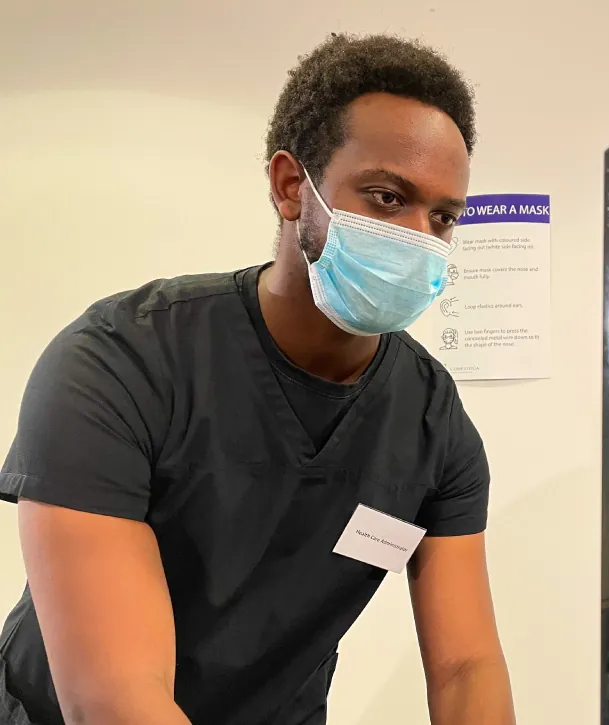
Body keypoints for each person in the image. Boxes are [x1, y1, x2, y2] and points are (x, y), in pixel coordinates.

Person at [0, 33, 515, 725]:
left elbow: (465, 668)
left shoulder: (432, 423)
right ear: (291, 186)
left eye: (444, 217)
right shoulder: (120, 363)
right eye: (387, 197)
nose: (420, 237)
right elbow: (114, 700)